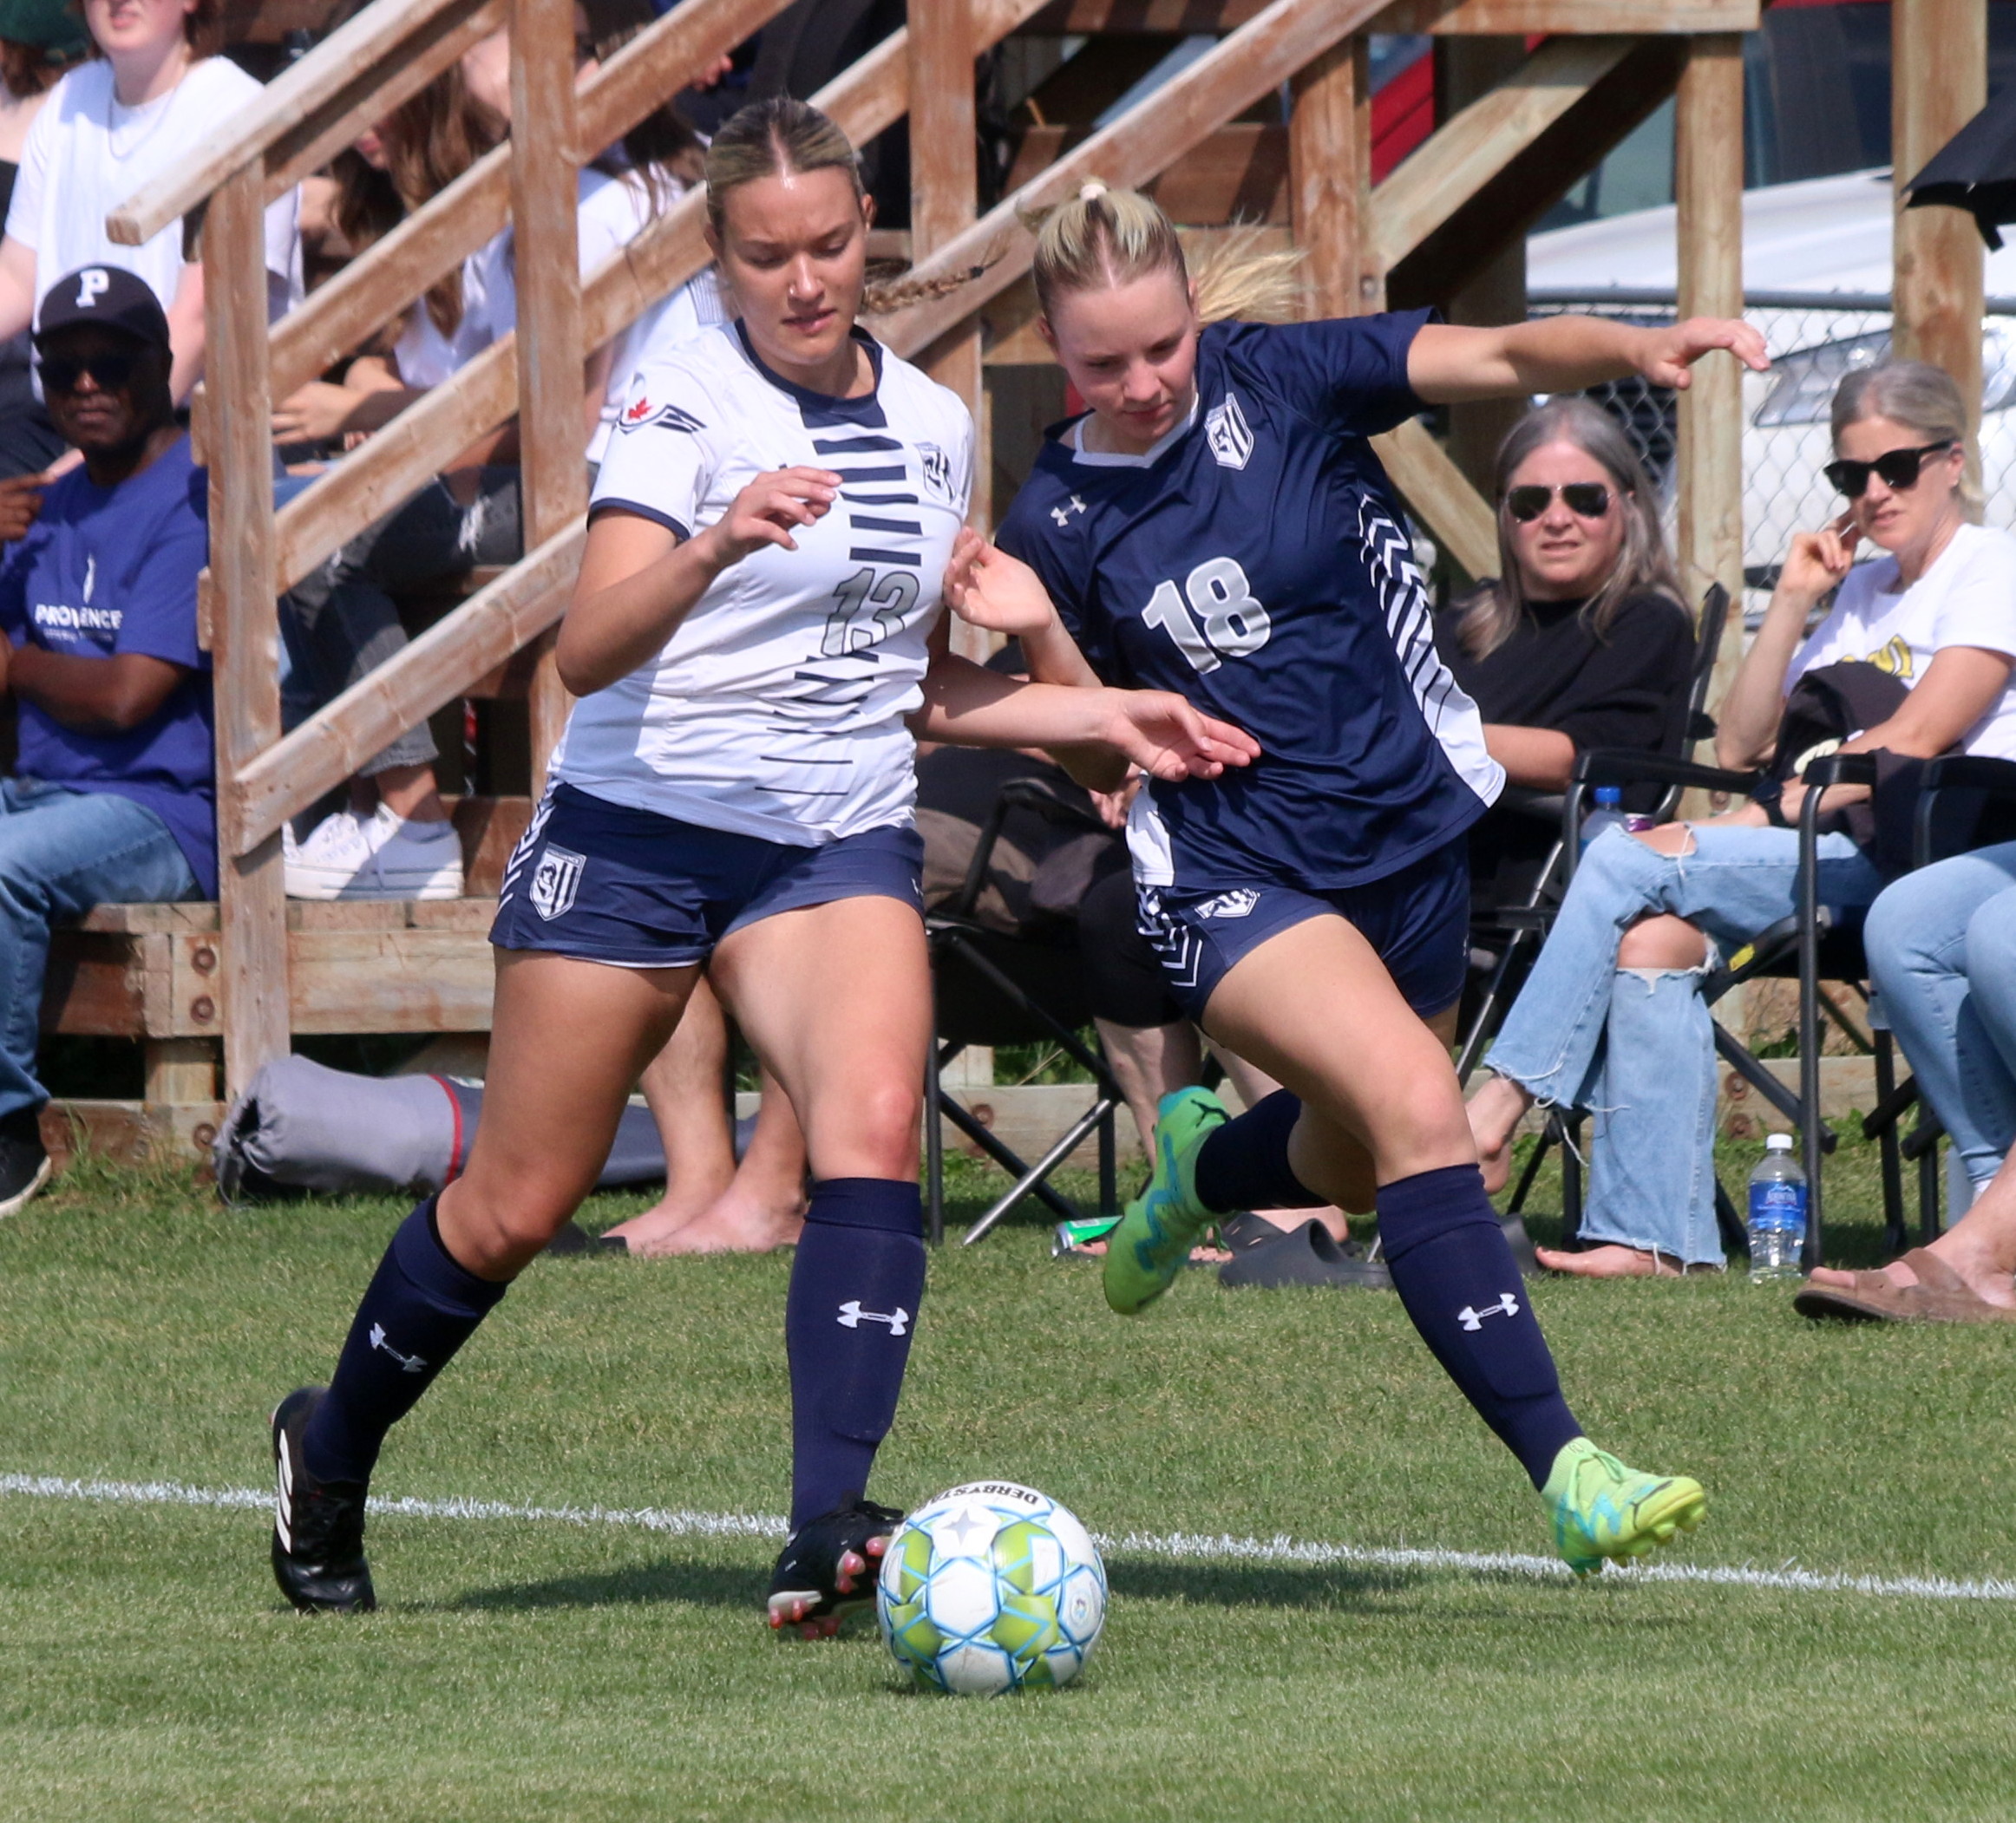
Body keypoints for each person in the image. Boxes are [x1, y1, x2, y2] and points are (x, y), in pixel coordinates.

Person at [264, 100, 1255, 1630]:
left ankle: (825, 1531)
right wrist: (716, 541)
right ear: (715, 255)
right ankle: (326, 1455)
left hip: (828, 836)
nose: (804, 280)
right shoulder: (680, 392)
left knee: (866, 1129)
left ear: (868, 230)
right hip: (639, 835)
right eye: (765, 254)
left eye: (831, 244)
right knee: (514, 1206)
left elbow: (918, 691)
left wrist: (1102, 710)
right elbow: (587, 650)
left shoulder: (928, 426)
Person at [950, 181, 1758, 1573]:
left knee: (1369, 1162)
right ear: (1051, 346)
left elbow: (1497, 358)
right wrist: (1039, 637)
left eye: (1162, 348)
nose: (1141, 384)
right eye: (1102, 363)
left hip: (1408, 839)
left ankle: (1200, 1167)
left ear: (1196, 316)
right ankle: (1568, 1466)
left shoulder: (1287, 376)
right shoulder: (1060, 517)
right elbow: (1098, 760)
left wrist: (1631, 352)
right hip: (1230, 866)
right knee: (1416, 1109)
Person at [1467, 360, 2016, 1277]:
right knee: (1650, 940)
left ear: (1950, 460)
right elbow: (1740, 744)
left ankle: (1496, 1102)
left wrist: (1816, 790)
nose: (1872, 493)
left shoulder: (1988, 566)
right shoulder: (1859, 591)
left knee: (1618, 859)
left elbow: (1924, 730)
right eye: (1850, 476)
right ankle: (1649, 1238)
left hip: (1928, 842)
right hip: (1828, 840)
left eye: (1896, 468)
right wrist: (1796, 598)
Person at [0, 266, 214, 1214]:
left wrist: (13, 668)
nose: (87, 384)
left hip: (163, 808)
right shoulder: (45, 503)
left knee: (1, 863)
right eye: (64, 367)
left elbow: (131, 693)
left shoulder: (196, 500)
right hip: (47, 792)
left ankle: (10, 1132)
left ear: (164, 365)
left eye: (112, 362)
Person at [0, 0, 301, 474]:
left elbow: (199, 320)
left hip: (185, 433)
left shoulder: (238, 110)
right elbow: (17, 277)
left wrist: (70, 478)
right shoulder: (70, 97)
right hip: (60, 414)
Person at [1436, 395, 1696, 907]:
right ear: (1507, 517)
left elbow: (1581, 757)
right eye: (1531, 503)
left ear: (1628, 504)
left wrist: (1419, 736)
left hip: (1542, 882)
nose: (1557, 519)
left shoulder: (1645, 622)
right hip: (1424, 859)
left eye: (1585, 499)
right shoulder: (1464, 621)